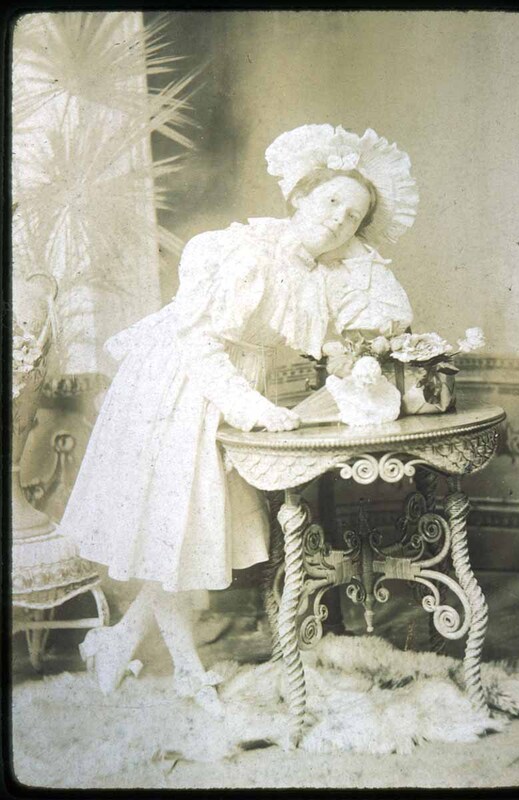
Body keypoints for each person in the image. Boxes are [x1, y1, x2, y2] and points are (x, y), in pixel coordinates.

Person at [60, 123, 418, 715]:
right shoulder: (245, 251)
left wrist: (352, 336)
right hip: (178, 386)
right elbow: (201, 345)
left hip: (226, 388)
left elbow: (337, 326)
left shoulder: (316, 275)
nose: (337, 219)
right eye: (331, 200)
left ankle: (116, 643)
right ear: (300, 194)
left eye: (353, 216)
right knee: (174, 529)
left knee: (186, 534)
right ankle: (188, 673)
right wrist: (254, 409)